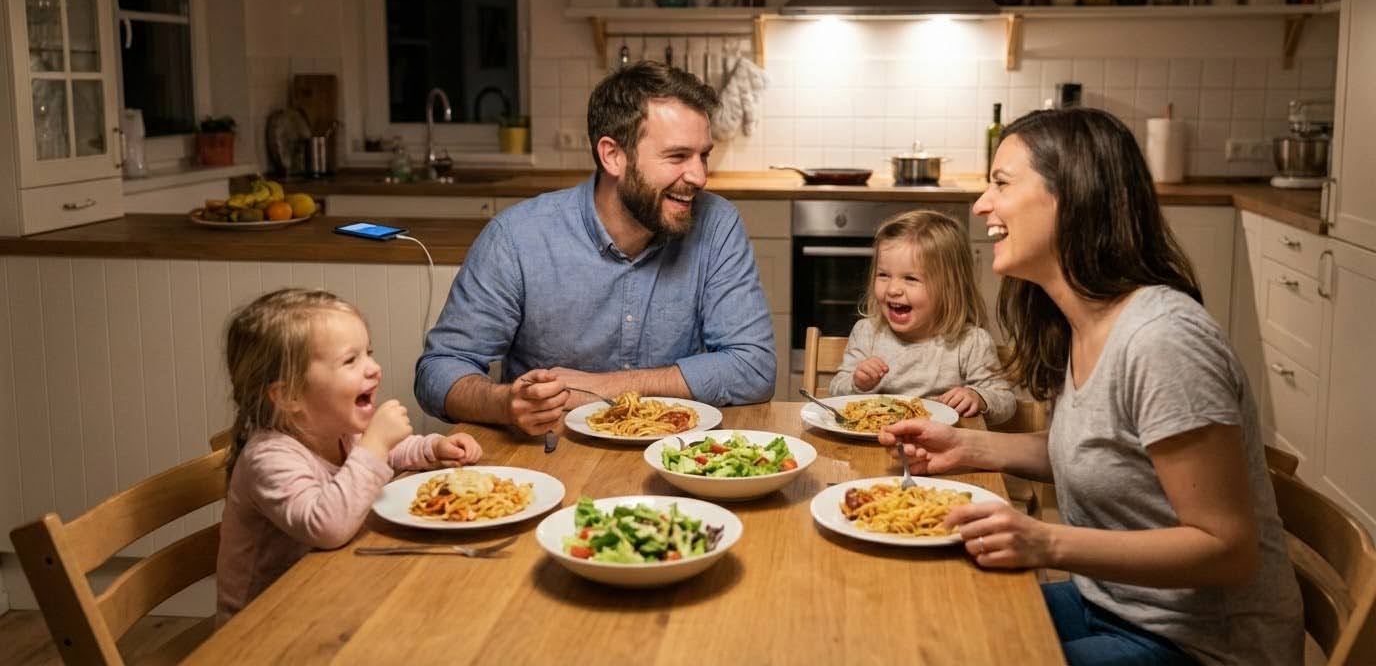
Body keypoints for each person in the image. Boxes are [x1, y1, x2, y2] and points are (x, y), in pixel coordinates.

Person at [879, 108, 1301, 665]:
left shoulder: (1162, 339)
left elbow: (1228, 550)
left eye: (1001, 184)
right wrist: (968, 446)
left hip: (1199, 643)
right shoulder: (1080, 324)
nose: (981, 205)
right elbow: (1105, 453)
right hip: (1113, 602)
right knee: (919, 622)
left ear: (1071, 197)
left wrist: (1044, 540)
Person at [415, 62, 775, 435]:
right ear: (612, 156)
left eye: (703, 155)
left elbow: (754, 367)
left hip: (675, 456)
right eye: (677, 156)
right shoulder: (517, 237)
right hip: (549, 458)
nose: (699, 176)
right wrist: (505, 404)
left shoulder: (716, 225)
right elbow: (438, 371)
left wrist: (603, 387)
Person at [216, 288, 482, 625]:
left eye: (368, 353)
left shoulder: (340, 429)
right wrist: (374, 445)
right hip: (263, 627)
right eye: (350, 360)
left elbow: (393, 453)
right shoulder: (269, 458)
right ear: (288, 395)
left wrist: (433, 449)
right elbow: (327, 525)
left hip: (333, 593)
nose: (373, 368)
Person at [828, 209, 1015, 425]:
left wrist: (978, 397)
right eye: (883, 275)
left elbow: (1005, 401)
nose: (893, 289)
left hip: (942, 451)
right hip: (870, 445)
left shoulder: (970, 342)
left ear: (949, 287)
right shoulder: (867, 333)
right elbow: (836, 391)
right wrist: (857, 383)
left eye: (910, 278)